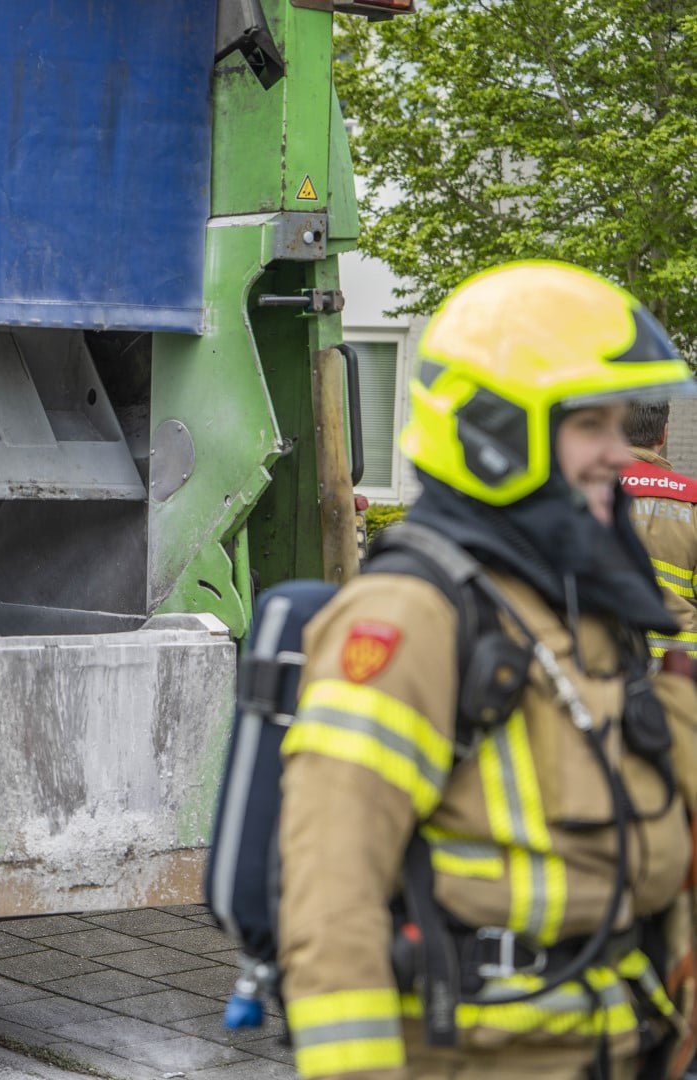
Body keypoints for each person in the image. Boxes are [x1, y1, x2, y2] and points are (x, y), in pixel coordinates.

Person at [278, 261, 697, 1079]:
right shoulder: (409, 617)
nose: (617, 454)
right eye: (590, 426)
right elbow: (330, 903)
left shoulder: (580, 607)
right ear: (496, 432)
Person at [622, 400, 697, 657]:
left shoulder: (586, 497)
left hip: (611, 666)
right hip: (679, 667)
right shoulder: (692, 501)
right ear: (664, 434)